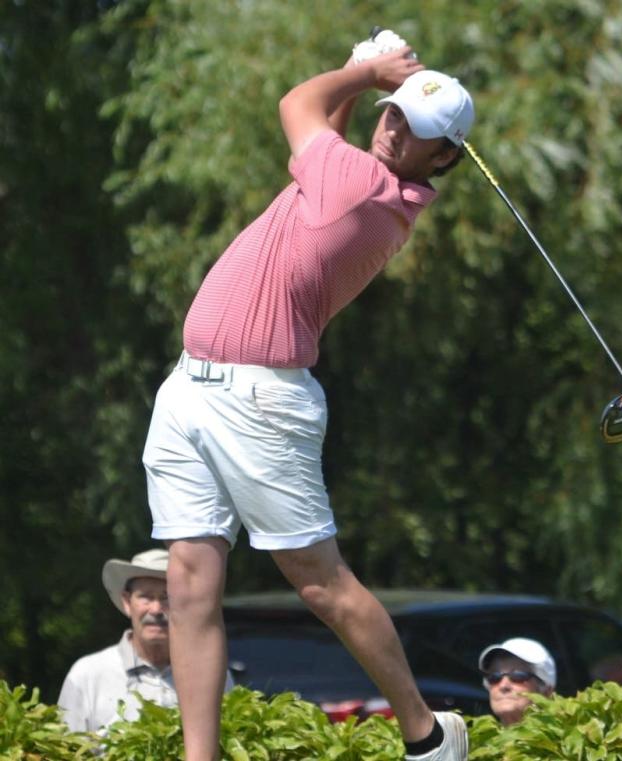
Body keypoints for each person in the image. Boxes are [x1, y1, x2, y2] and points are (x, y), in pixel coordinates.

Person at [140, 30, 473, 761]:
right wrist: (366, 85)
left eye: (413, 129)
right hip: (189, 387)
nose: (393, 128)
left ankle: (425, 733)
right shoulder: (358, 182)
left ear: (441, 156)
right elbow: (323, 138)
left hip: (259, 401)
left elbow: (298, 103)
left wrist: (362, 71)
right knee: (190, 581)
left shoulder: (362, 189)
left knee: (319, 582)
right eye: (391, 112)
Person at [57, 549, 218, 732]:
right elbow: (65, 749)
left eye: (167, 598)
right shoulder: (88, 674)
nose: (156, 610)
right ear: (127, 602)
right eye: (146, 597)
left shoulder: (209, 673)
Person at [478, 638, 556, 725]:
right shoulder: (472, 737)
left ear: (546, 692)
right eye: (495, 677)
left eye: (518, 675)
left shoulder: (563, 737)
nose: (503, 686)